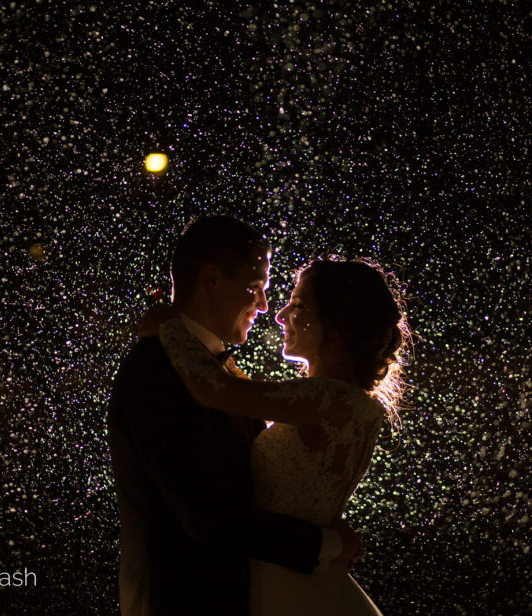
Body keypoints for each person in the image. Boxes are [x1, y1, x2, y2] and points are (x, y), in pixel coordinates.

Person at [107, 216, 359, 616]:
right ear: (211, 278)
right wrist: (325, 542)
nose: (263, 305)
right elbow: (211, 520)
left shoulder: (214, 374)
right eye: (256, 287)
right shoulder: (158, 372)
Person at [143, 256, 410, 615]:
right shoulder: (356, 405)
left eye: (298, 306)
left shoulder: (324, 397)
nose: (281, 315)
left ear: (337, 325)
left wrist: (172, 327)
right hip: (306, 571)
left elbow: (215, 390)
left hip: (282, 578)